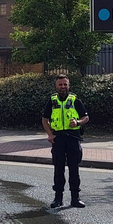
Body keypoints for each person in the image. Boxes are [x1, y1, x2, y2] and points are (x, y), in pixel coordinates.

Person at [41, 74, 89, 209]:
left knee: (74, 169)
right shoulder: (52, 101)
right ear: (56, 86)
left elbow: (86, 117)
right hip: (58, 139)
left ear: (68, 85)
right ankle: (58, 198)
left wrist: (78, 122)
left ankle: (75, 199)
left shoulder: (74, 100)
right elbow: (45, 120)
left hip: (73, 138)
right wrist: (50, 135)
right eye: (60, 84)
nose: (63, 87)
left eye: (65, 84)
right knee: (58, 169)